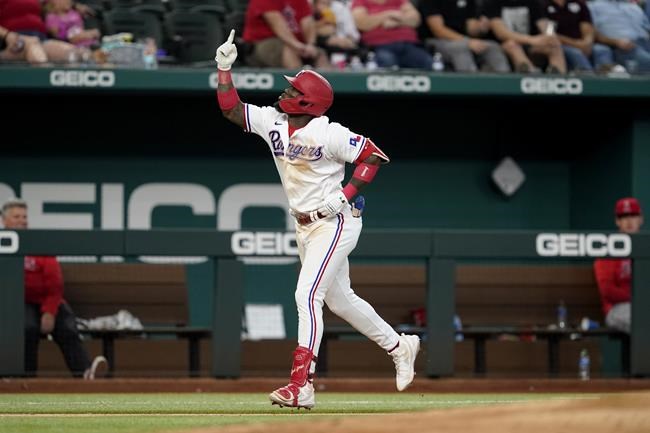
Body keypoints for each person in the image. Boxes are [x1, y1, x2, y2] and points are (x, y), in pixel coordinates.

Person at [215, 30, 421, 409]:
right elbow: (232, 110)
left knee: (307, 294)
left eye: (294, 92)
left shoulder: (328, 132)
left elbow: (374, 156)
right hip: (304, 224)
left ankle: (302, 385)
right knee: (340, 300)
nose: (285, 93)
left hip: (335, 221)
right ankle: (399, 345)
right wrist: (224, 69)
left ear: (308, 103)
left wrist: (341, 197)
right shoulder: (273, 121)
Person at [0, 198, 106, 378]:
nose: (22, 220)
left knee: (67, 327)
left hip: (46, 300)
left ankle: (85, 373)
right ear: (4, 220)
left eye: (24, 216)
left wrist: (49, 312)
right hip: (16, 303)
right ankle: (24, 378)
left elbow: (54, 282)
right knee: (27, 328)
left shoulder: (38, 242)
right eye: (17, 216)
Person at [593, 198, 643, 334]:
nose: (629, 222)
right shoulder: (609, 249)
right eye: (624, 217)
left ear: (640, 219)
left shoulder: (645, 248)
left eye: (633, 216)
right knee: (642, 321)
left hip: (643, 306)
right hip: (617, 309)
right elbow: (607, 290)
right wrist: (638, 298)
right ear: (617, 221)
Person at [419, 0, 511, 72]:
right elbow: (438, 30)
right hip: (436, 41)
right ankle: (472, 88)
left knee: (493, 47)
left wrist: (480, 27)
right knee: (460, 48)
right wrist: (467, 41)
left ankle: (506, 88)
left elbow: (470, 28)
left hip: (464, 40)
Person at [483, 0, 567, 74]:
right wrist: (532, 40)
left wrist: (550, 37)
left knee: (554, 44)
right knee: (511, 45)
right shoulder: (493, 3)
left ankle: (559, 78)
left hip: (531, 45)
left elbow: (543, 24)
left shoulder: (532, 2)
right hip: (504, 46)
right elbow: (501, 33)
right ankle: (530, 76)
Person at [0, 0, 95, 64]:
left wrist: (74, 6)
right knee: (33, 47)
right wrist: (7, 35)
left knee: (73, 53)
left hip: (40, 38)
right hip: (15, 41)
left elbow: (53, 3)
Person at [242, 0, 330, 69]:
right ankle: (298, 88)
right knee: (288, 50)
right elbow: (278, 26)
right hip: (262, 43)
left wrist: (311, 45)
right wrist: (298, 46)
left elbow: (308, 22)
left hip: (296, 44)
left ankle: (327, 89)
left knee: (319, 54)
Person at [351, 0, 433, 70]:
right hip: (379, 47)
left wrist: (397, 23)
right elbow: (361, 23)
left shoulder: (399, 1)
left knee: (427, 61)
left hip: (408, 45)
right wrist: (388, 14)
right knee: (387, 61)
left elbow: (416, 19)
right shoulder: (361, 2)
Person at [545, 0, 615, 73]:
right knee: (575, 52)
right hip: (561, 44)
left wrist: (587, 42)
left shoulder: (579, 4)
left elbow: (588, 26)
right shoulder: (545, 5)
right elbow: (549, 34)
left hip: (583, 43)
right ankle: (588, 76)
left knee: (602, 50)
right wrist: (577, 44)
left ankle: (607, 77)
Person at [587, 0, 650, 74]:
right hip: (622, 47)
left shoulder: (634, 7)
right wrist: (615, 42)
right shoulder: (594, 7)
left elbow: (647, 28)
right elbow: (591, 32)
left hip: (644, 44)